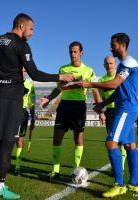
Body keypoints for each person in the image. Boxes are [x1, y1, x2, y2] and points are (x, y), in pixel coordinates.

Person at [0, 13, 74, 199]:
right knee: (8, 140)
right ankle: (0, 187)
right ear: (21, 25)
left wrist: (2, 80)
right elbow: (35, 74)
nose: (32, 33)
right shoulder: (20, 44)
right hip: (12, 96)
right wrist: (60, 77)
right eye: (31, 29)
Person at [76, 33, 138, 197]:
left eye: (114, 45)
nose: (111, 48)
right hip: (126, 107)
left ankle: (118, 184)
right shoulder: (123, 65)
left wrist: (90, 83)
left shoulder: (128, 63)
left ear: (123, 45)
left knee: (111, 142)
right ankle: (134, 184)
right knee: (129, 145)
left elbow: (114, 83)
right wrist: (103, 104)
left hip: (127, 108)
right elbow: (119, 89)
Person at [39, 41, 102, 181]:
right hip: (64, 106)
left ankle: (77, 169)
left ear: (81, 53)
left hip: (79, 106)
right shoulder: (63, 69)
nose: (73, 54)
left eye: (75, 51)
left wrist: (100, 108)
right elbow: (59, 88)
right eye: (71, 52)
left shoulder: (89, 70)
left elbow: (95, 89)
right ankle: (56, 171)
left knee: (78, 139)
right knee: (57, 138)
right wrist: (48, 99)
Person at [99, 56, 126, 171]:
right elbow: (100, 98)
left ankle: (121, 167)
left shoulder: (120, 76)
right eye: (107, 64)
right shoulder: (101, 80)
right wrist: (101, 113)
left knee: (122, 141)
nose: (109, 66)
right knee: (111, 141)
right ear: (104, 65)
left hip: (121, 110)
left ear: (115, 64)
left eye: (111, 63)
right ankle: (116, 166)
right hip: (109, 112)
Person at [14, 67, 36, 176]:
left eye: (24, 71)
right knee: (7, 140)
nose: (23, 73)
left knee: (19, 141)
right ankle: (0, 167)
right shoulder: (12, 82)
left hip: (23, 114)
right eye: (21, 71)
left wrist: (33, 119)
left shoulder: (30, 86)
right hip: (11, 113)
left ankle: (17, 166)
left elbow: (32, 104)